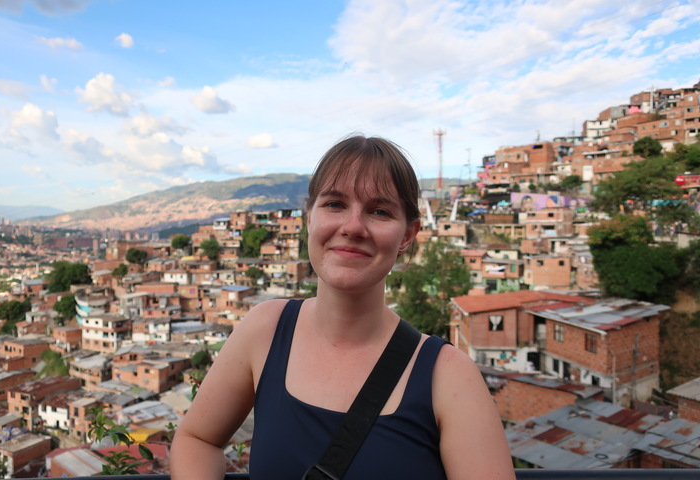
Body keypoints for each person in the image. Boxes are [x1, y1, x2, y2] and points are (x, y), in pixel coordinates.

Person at [170, 135, 515, 480]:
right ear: (309, 216)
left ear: (408, 235)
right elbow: (197, 439)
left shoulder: (449, 377)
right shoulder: (266, 330)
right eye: (335, 204)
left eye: (379, 211)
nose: (352, 227)